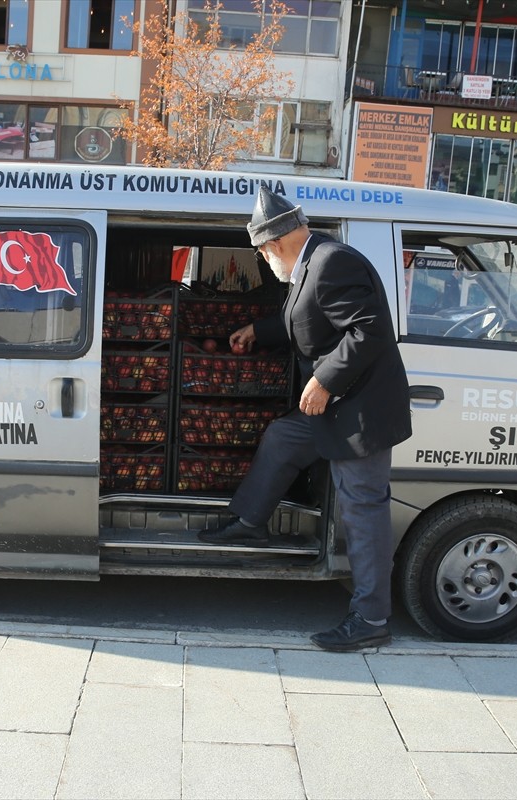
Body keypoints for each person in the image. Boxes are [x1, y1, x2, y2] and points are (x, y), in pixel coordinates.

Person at [197, 187, 412, 652]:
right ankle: (250, 519)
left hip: (359, 413)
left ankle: (371, 617)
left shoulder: (333, 261)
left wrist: (325, 381)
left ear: (275, 244)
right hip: (329, 409)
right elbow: (311, 319)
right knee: (282, 438)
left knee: (363, 508)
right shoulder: (309, 265)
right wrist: (261, 330)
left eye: (261, 250)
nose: (262, 258)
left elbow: (370, 330)